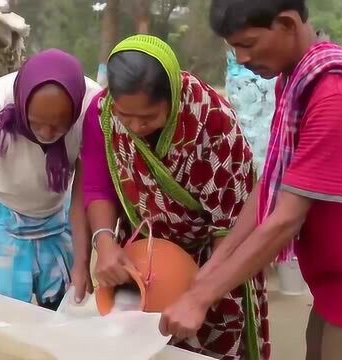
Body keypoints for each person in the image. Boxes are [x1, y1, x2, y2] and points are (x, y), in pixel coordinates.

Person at [160, 1, 342, 360]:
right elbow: (271, 183)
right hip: (337, 285)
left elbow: (286, 218)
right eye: (233, 47)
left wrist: (200, 297)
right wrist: (218, 261)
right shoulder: (297, 80)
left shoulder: (336, 98)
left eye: (249, 44)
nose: (240, 58)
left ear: (286, 23)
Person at [81, 34, 270, 359]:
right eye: (127, 116)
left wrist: (201, 291)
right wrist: (104, 242)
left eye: (149, 117)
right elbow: (98, 185)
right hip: (142, 258)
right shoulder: (104, 114)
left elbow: (231, 224)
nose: (137, 127)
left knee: (206, 344)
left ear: (173, 95)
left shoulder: (212, 123)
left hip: (213, 258)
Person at [0, 49, 101, 337]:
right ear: (21, 107)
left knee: (67, 319)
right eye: (36, 123)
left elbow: (82, 197)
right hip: (3, 213)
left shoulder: (91, 109)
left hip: (59, 211)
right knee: (4, 323)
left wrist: (83, 264)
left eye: (59, 124)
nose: (47, 133)